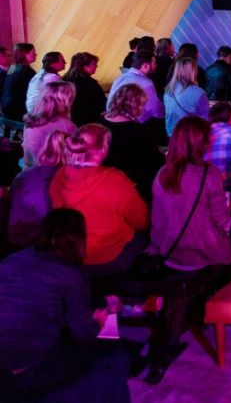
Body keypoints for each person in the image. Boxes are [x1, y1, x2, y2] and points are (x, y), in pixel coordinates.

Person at [0, 209, 133, 402]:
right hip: (23, 370)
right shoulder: (70, 274)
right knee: (115, 352)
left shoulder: (11, 260)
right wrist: (101, 318)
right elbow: (82, 335)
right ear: (79, 239)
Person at [147, 115, 231, 384]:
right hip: (203, 253)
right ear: (202, 143)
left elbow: (158, 217)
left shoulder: (162, 174)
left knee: (180, 290)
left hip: (169, 251)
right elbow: (223, 220)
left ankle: (172, 332)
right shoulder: (209, 174)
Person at [49, 124, 149, 277]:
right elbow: (142, 221)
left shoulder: (59, 176)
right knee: (147, 236)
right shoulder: (115, 181)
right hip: (108, 257)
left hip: (70, 252)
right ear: (103, 150)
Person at [98, 84, 165, 203]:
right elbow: (155, 161)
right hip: (131, 184)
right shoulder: (136, 130)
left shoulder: (101, 121)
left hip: (105, 180)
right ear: (136, 106)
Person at [7, 131, 68, 249]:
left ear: (44, 149)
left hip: (14, 237)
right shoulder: (67, 182)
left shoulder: (23, 176)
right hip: (42, 243)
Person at [22, 80, 77, 169]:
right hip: (48, 174)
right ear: (65, 101)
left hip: (28, 169)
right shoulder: (66, 125)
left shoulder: (32, 119)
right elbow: (73, 156)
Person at [106, 49, 164, 126]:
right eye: (154, 63)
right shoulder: (146, 83)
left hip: (112, 121)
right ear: (146, 66)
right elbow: (156, 110)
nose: (156, 65)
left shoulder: (119, 78)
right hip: (136, 125)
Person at [164, 56, 210, 137]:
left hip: (172, 134)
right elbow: (206, 118)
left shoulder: (168, 91)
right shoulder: (199, 92)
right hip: (192, 136)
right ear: (193, 71)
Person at [64, 52, 107, 126]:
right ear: (85, 66)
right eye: (94, 64)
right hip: (89, 122)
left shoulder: (65, 80)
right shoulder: (89, 84)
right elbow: (100, 103)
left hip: (70, 122)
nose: (96, 66)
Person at [2, 42, 37, 119]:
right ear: (25, 54)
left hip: (5, 108)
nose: (36, 54)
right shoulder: (26, 70)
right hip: (17, 110)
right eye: (33, 52)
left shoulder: (13, 67)